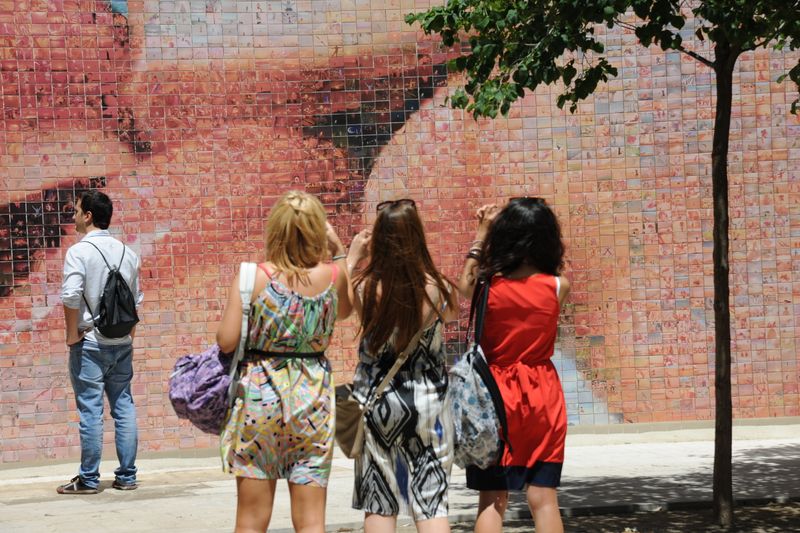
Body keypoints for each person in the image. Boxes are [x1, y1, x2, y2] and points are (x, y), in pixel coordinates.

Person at [216, 191, 353, 533]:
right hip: (314, 401)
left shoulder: (253, 277)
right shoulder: (333, 277)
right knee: (310, 522)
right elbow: (348, 311)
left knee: (250, 520)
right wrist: (338, 250)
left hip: (259, 401)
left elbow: (226, 340)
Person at [457, 198, 571, 533]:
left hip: (495, 394)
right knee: (544, 497)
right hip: (543, 394)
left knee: (492, 497)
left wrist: (481, 233)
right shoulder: (557, 286)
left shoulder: (488, 287)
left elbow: (464, 285)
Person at [346, 198, 459, 533]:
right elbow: (450, 317)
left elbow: (345, 307)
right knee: (431, 501)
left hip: (378, 404)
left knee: (380, 501)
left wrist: (351, 259)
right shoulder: (439, 288)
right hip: (428, 404)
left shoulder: (366, 288)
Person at [58, 190, 143, 494]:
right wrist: (128, 337)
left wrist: (71, 334)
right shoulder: (127, 252)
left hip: (90, 342)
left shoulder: (79, 252)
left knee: (90, 410)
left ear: (89, 215)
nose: (74, 216)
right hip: (121, 342)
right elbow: (136, 301)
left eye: (77, 211)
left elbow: (70, 295)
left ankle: (89, 479)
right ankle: (127, 476)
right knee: (124, 406)